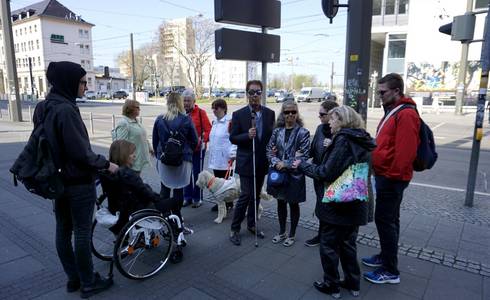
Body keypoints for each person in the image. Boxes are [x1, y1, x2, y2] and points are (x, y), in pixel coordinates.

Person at [33, 61, 117, 298]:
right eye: (82, 82)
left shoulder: (44, 107)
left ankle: (74, 278)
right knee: (81, 231)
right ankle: (88, 282)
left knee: (62, 229)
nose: (85, 86)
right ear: (69, 82)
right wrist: (107, 164)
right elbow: (81, 152)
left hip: (56, 180)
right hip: (77, 181)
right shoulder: (66, 110)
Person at [294, 106, 375, 298]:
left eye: (333, 119)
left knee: (329, 245)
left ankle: (331, 284)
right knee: (348, 244)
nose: (329, 122)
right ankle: (353, 283)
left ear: (342, 121)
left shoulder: (343, 140)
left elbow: (326, 172)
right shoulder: (361, 139)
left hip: (338, 204)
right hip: (355, 202)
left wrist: (302, 165)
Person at [362, 73, 420, 285]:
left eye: (382, 92)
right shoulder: (394, 111)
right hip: (386, 176)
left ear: (397, 91)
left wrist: (390, 177)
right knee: (389, 220)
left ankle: (390, 270)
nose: (379, 96)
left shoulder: (406, 114)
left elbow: (405, 153)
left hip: (391, 178)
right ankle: (385, 257)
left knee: (384, 221)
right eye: (378, 92)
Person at [106, 140, 184, 262]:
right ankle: (176, 231)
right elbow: (148, 194)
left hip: (126, 208)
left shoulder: (110, 174)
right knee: (176, 200)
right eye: (132, 153)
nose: (134, 156)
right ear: (124, 155)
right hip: (143, 208)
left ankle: (155, 233)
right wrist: (159, 198)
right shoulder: (129, 174)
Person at [229, 80, 275, 246]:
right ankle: (234, 228)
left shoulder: (269, 114)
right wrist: (246, 135)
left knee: (255, 195)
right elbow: (233, 137)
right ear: (246, 94)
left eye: (257, 92)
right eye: (251, 92)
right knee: (246, 194)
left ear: (261, 94)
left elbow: (271, 137)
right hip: (246, 161)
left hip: (262, 161)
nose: (254, 95)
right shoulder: (239, 114)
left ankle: (252, 224)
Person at [266, 100, 310, 247]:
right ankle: (282, 231)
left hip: (295, 176)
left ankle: (292, 234)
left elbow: (303, 156)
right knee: (280, 203)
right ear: (282, 114)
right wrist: (275, 161)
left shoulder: (303, 133)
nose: (290, 115)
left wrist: (283, 163)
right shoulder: (277, 131)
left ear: (297, 113)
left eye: (293, 112)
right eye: (287, 112)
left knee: (293, 204)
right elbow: (269, 150)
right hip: (279, 175)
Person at [152, 92, 198, 226]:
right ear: (180, 103)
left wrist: (160, 154)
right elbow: (194, 141)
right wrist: (186, 151)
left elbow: (155, 141)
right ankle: (177, 217)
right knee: (179, 190)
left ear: (167, 103)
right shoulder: (186, 119)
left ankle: (164, 216)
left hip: (164, 159)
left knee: (164, 189)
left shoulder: (160, 119)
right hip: (182, 160)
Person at [304, 100, 339, 247]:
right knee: (320, 205)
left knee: (331, 208)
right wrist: (301, 154)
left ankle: (330, 237)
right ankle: (321, 235)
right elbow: (312, 150)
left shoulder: (338, 132)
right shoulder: (319, 129)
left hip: (332, 178)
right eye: (319, 114)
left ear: (331, 115)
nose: (319, 116)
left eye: (322, 114)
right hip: (318, 174)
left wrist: (331, 145)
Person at [182, 89, 211, 208]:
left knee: (197, 174)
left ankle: (197, 198)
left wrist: (204, 138)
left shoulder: (200, 113)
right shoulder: (181, 113)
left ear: (194, 101)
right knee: (186, 174)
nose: (186, 103)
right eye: (184, 100)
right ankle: (187, 197)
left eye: (188, 100)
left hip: (198, 149)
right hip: (184, 150)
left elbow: (208, 129)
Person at [208, 98, 237, 212]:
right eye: (213, 108)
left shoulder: (229, 122)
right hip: (216, 158)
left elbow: (234, 139)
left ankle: (228, 203)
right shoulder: (215, 122)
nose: (214, 110)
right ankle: (222, 203)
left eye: (217, 108)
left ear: (224, 109)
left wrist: (233, 153)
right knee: (218, 182)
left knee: (226, 183)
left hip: (226, 158)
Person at [112, 99, 153, 173]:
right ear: (130, 109)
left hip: (138, 160)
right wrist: (126, 163)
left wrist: (150, 148)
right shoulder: (124, 123)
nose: (139, 109)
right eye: (137, 107)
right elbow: (122, 145)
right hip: (131, 164)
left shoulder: (135, 121)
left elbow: (143, 137)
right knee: (131, 183)